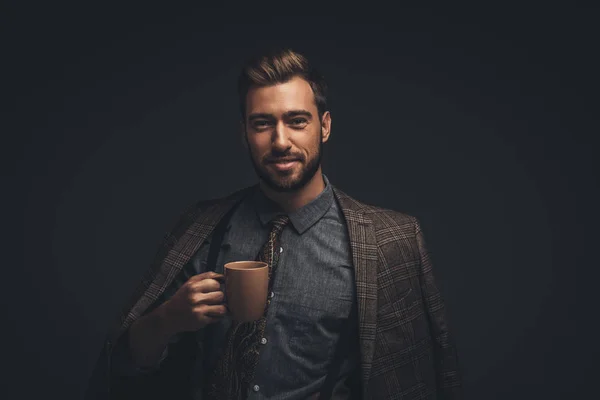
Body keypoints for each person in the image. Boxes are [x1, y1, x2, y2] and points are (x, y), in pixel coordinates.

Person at [85, 48, 462, 400]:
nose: (280, 141)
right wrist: (167, 320)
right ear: (245, 133)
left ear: (324, 126)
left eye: (297, 121)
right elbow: (122, 364)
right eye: (262, 123)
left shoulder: (391, 239)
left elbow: (422, 373)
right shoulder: (201, 226)